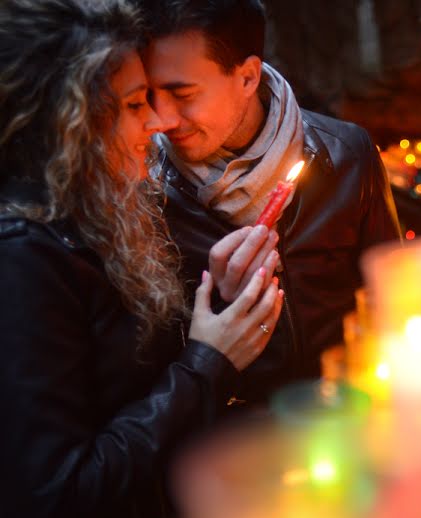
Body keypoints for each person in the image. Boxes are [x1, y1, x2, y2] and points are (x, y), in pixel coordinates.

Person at [0, 1, 283, 518]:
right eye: (133, 104)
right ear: (68, 120)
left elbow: (120, 383)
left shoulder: (90, 211)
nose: (157, 122)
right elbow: (59, 497)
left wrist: (220, 303)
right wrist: (208, 361)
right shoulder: (23, 256)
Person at [139, 0, 402, 407]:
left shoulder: (346, 153)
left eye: (182, 93)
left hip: (347, 413)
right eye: (149, 95)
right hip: (227, 443)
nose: (162, 119)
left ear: (247, 77)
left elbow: (393, 300)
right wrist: (221, 302)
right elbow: (145, 370)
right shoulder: (141, 189)